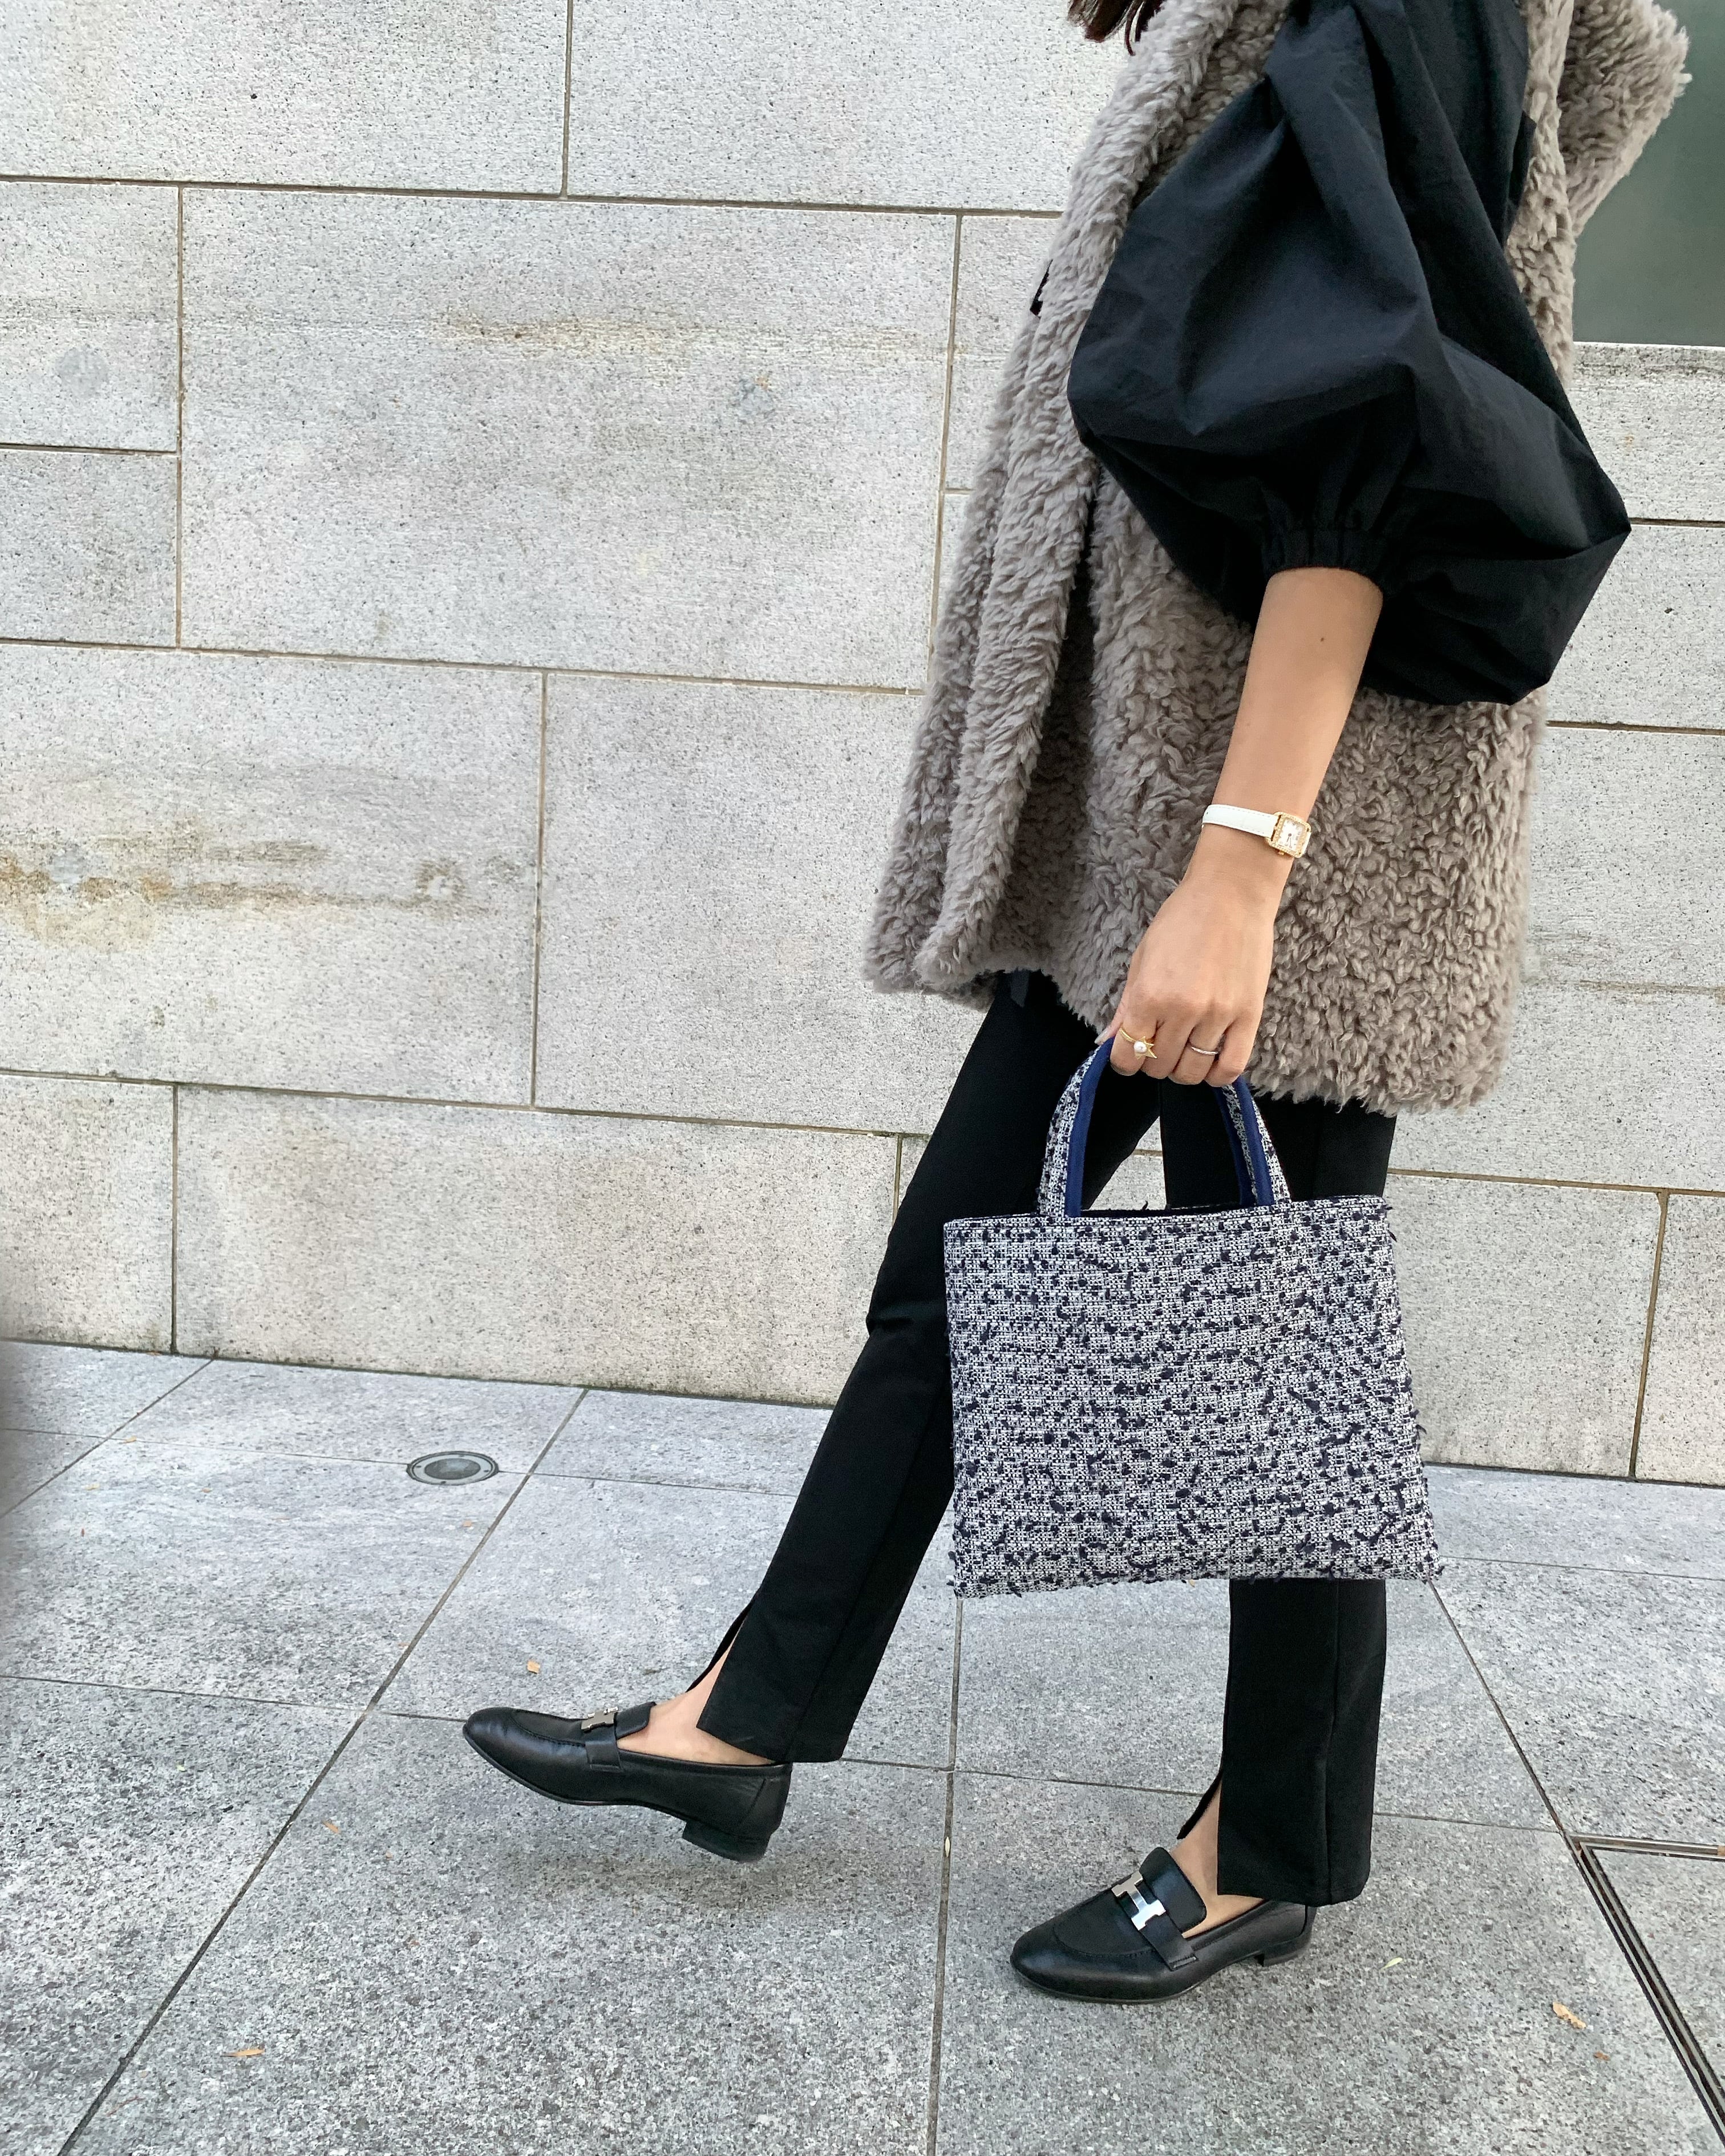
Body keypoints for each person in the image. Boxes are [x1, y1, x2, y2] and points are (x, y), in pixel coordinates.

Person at [465, 0, 1686, 2003]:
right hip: (1164, 821)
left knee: (1270, 1338)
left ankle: (1264, 1847)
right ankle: (748, 1715)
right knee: (970, 1265)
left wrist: (1244, 870)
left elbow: (1377, 441)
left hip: (1279, 835)